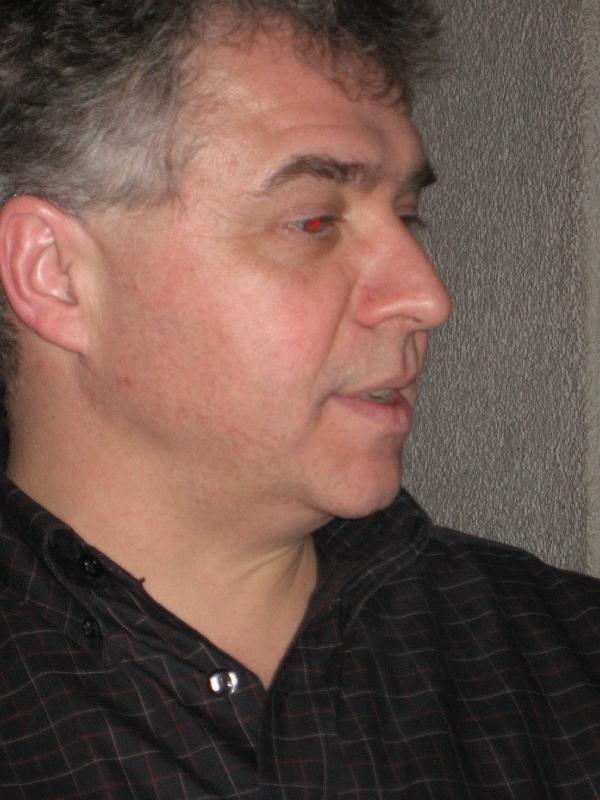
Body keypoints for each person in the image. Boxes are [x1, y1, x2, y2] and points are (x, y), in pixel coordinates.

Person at [0, 1, 598, 797]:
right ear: (56, 276)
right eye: (314, 221)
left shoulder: (570, 663)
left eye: (408, 217)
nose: (427, 297)